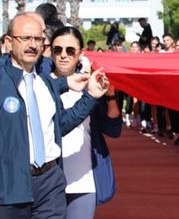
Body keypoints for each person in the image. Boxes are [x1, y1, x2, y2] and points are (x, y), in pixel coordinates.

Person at [0, 13, 110, 218]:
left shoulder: (45, 84)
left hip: (50, 184)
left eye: (38, 39)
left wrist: (92, 96)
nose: (32, 45)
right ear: (8, 42)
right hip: (10, 186)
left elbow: (61, 123)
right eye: (25, 38)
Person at [50, 26, 122, 219]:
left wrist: (110, 96)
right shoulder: (41, 84)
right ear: (50, 52)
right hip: (47, 183)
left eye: (70, 50)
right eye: (58, 50)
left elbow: (113, 130)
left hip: (84, 181)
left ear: (80, 53)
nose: (63, 55)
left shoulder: (92, 85)